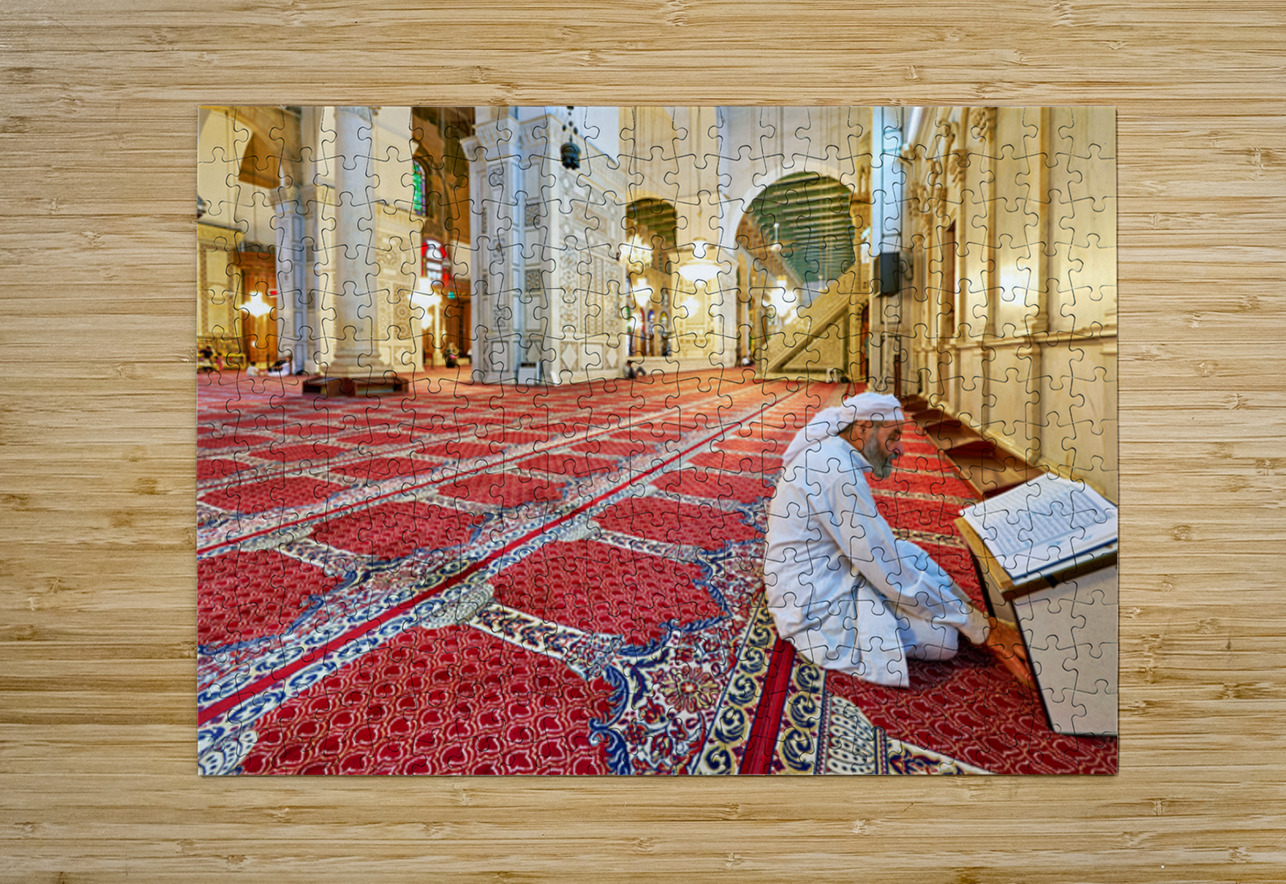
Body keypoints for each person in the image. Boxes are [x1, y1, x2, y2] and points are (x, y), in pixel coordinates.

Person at [763, 392, 1031, 688]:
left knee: (911, 555)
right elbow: (888, 573)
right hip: (816, 604)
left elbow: (883, 557)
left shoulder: (832, 455)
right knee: (944, 640)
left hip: (826, 572)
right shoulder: (836, 471)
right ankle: (970, 619)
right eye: (894, 436)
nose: (900, 448)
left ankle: (962, 612)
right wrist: (984, 630)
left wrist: (969, 618)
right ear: (864, 428)